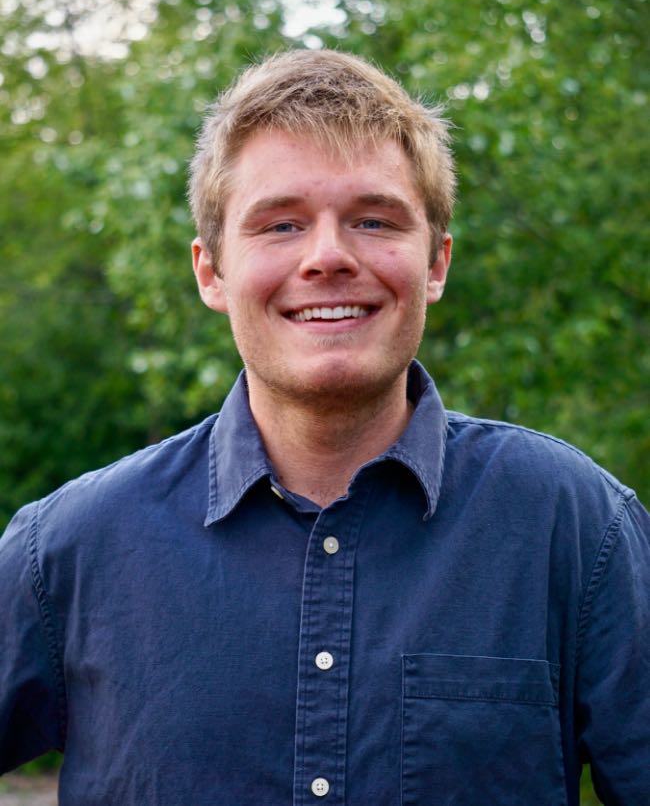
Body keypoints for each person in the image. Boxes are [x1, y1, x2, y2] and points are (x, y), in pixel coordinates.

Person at [0, 50, 648, 806]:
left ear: (436, 263)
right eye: (280, 225)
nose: (329, 256)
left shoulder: (578, 530)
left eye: (373, 220)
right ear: (211, 271)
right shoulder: (68, 551)